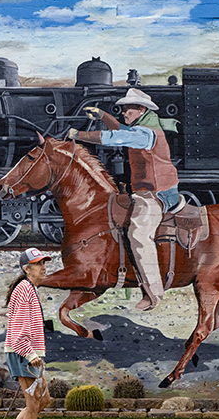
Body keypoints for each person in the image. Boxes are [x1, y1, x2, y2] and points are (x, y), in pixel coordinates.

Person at [68, 88, 179, 310]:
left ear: (141, 109)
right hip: (145, 190)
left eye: (128, 109)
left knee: (138, 233)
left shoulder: (147, 133)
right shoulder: (143, 127)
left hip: (157, 193)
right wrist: (101, 115)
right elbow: (122, 129)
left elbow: (117, 136)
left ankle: (154, 293)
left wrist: (77, 136)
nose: (124, 113)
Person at [0, 247, 57, 419]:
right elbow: (18, 333)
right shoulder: (24, 290)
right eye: (38, 264)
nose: (43, 267)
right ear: (27, 269)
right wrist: (30, 355)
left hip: (29, 355)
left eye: (43, 263)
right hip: (24, 355)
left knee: (43, 401)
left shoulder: (28, 289)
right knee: (33, 403)